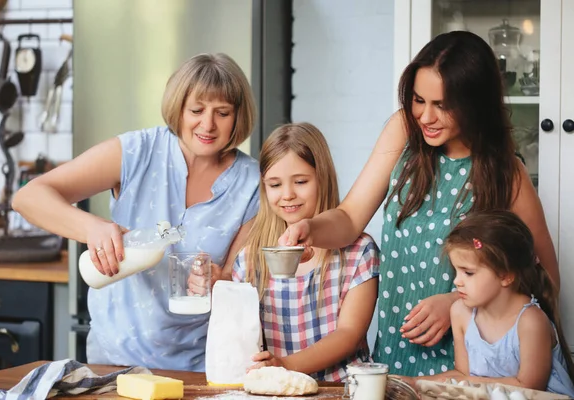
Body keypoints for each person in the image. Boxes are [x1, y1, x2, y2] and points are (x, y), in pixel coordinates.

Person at [278, 31, 559, 376]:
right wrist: (310, 228)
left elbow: (542, 279)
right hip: (396, 356)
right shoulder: (403, 131)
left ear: (475, 103)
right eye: (418, 100)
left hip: (471, 370)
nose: (425, 116)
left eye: (441, 105)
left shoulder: (506, 172)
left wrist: (457, 304)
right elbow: (350, 218)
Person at [11, 53, 260, 370]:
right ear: (179, 109)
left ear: (238, 117)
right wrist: (92, 228)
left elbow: (241, 284)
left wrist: (218, 281)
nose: (207, 124)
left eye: (222, 113)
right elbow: (29, 197)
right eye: (196, 110)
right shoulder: (135, 152)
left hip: (204, 365)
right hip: (113, 362)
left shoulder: (252, 184)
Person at [232, 122, 380, 382]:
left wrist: (286, 364)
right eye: (275, 185)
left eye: (300, 181)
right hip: (277, 389)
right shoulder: (249, 259)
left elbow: (349, 334)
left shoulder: (358, 251)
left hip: (343, 389)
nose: (288, 195)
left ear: (322, 177)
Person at [411, 211, 574, 397]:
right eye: (456, 271)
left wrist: (468, 382)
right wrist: (415, 383)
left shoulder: (530, 322)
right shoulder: (460, 313)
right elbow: (462, 375)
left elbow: (529, 387)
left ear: (505, 275)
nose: (457, 281)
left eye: (468, 273)